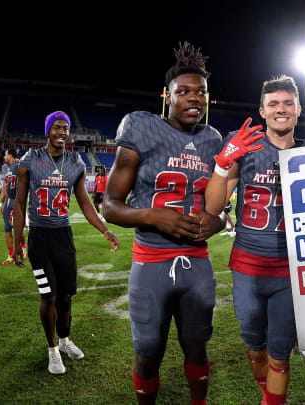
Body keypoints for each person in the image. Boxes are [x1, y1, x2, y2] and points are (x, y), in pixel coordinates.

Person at [205, 74, 305, 405]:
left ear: (299, 109)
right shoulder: (245, 147)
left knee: (280, 354)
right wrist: (223, 163)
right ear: (262, 110)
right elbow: (213, 207)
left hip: (290, 272)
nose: (280, 110)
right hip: (247, 268)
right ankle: (265, 394)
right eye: (273, 104)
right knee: (255, 348)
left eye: (287, 103)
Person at [102, 42, 225, 405]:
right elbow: (110, 206)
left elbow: (220, 208)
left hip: (197, 264)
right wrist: (152, 215)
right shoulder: (141, 126)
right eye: (183, 92)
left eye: (200, 92)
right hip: (151, 262)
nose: (193, 99)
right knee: (149, 350)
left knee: (197, 348)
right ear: (166, 96)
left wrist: (215, 223)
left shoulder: (212, 139)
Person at [11, 111, 119, 375]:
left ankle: (65, 340)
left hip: (63, 237)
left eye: (66, 128)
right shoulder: (30, 160)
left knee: (66, 296)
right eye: (57, 127)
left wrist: (104, 230)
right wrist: (17, 242)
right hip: (39, 238)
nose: (62, 132)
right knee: (48, 297)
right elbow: (19, 202)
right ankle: (52, 351)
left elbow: (84, 203)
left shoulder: (76, 162)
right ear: (48, 131)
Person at [0, 149, 27, 265]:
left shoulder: (20, 165)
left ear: (10, 155)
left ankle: (23, 248)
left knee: (18, 227)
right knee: (7, 228)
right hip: (8, 202)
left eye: (5, 154)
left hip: (17, 200)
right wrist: (1, 203)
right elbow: (5, 187)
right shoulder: (6, 168)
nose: (4, 157)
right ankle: (10, 256)